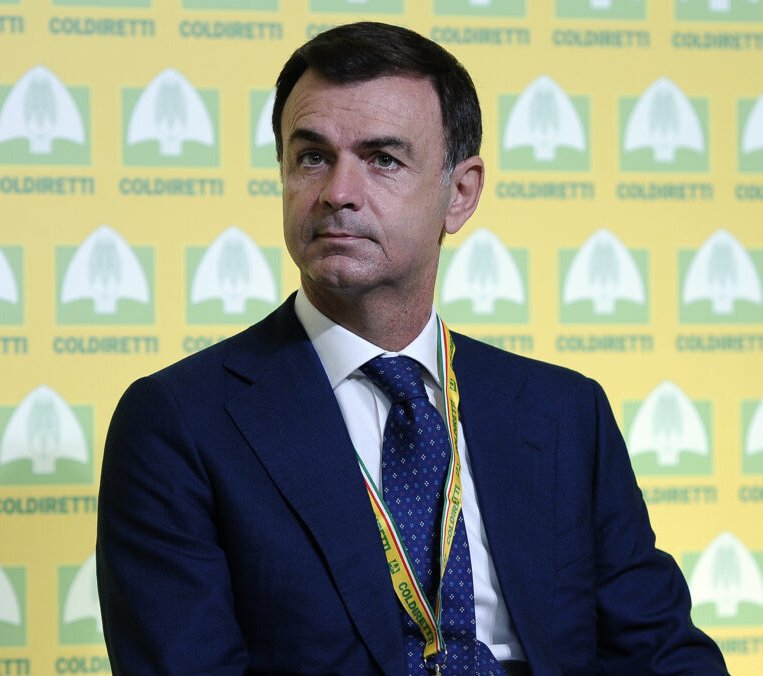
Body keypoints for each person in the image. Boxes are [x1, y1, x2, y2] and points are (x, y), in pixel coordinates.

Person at [97, 21, 728, 676]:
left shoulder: (565, 412)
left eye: (382, 159)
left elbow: (661, 653)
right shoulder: (180, 422)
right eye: (312, 157)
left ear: (460, 194)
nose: (338, 192)